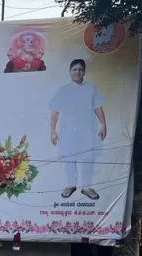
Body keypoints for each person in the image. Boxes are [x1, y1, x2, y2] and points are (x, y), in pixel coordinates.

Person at [50, 59, 107, 200]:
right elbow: (55, 112)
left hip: (88, 129)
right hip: (68, 130)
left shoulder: (91, 88)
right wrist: (53, 130)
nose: (77, 72)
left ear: (84, 72)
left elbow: (98, 107)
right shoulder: (63, 90)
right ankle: (71, 185)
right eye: (74, 69)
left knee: (88, 158)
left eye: (80, 69)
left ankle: (87, 187)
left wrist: (103, 125)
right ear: (70, 72)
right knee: (70, 158)